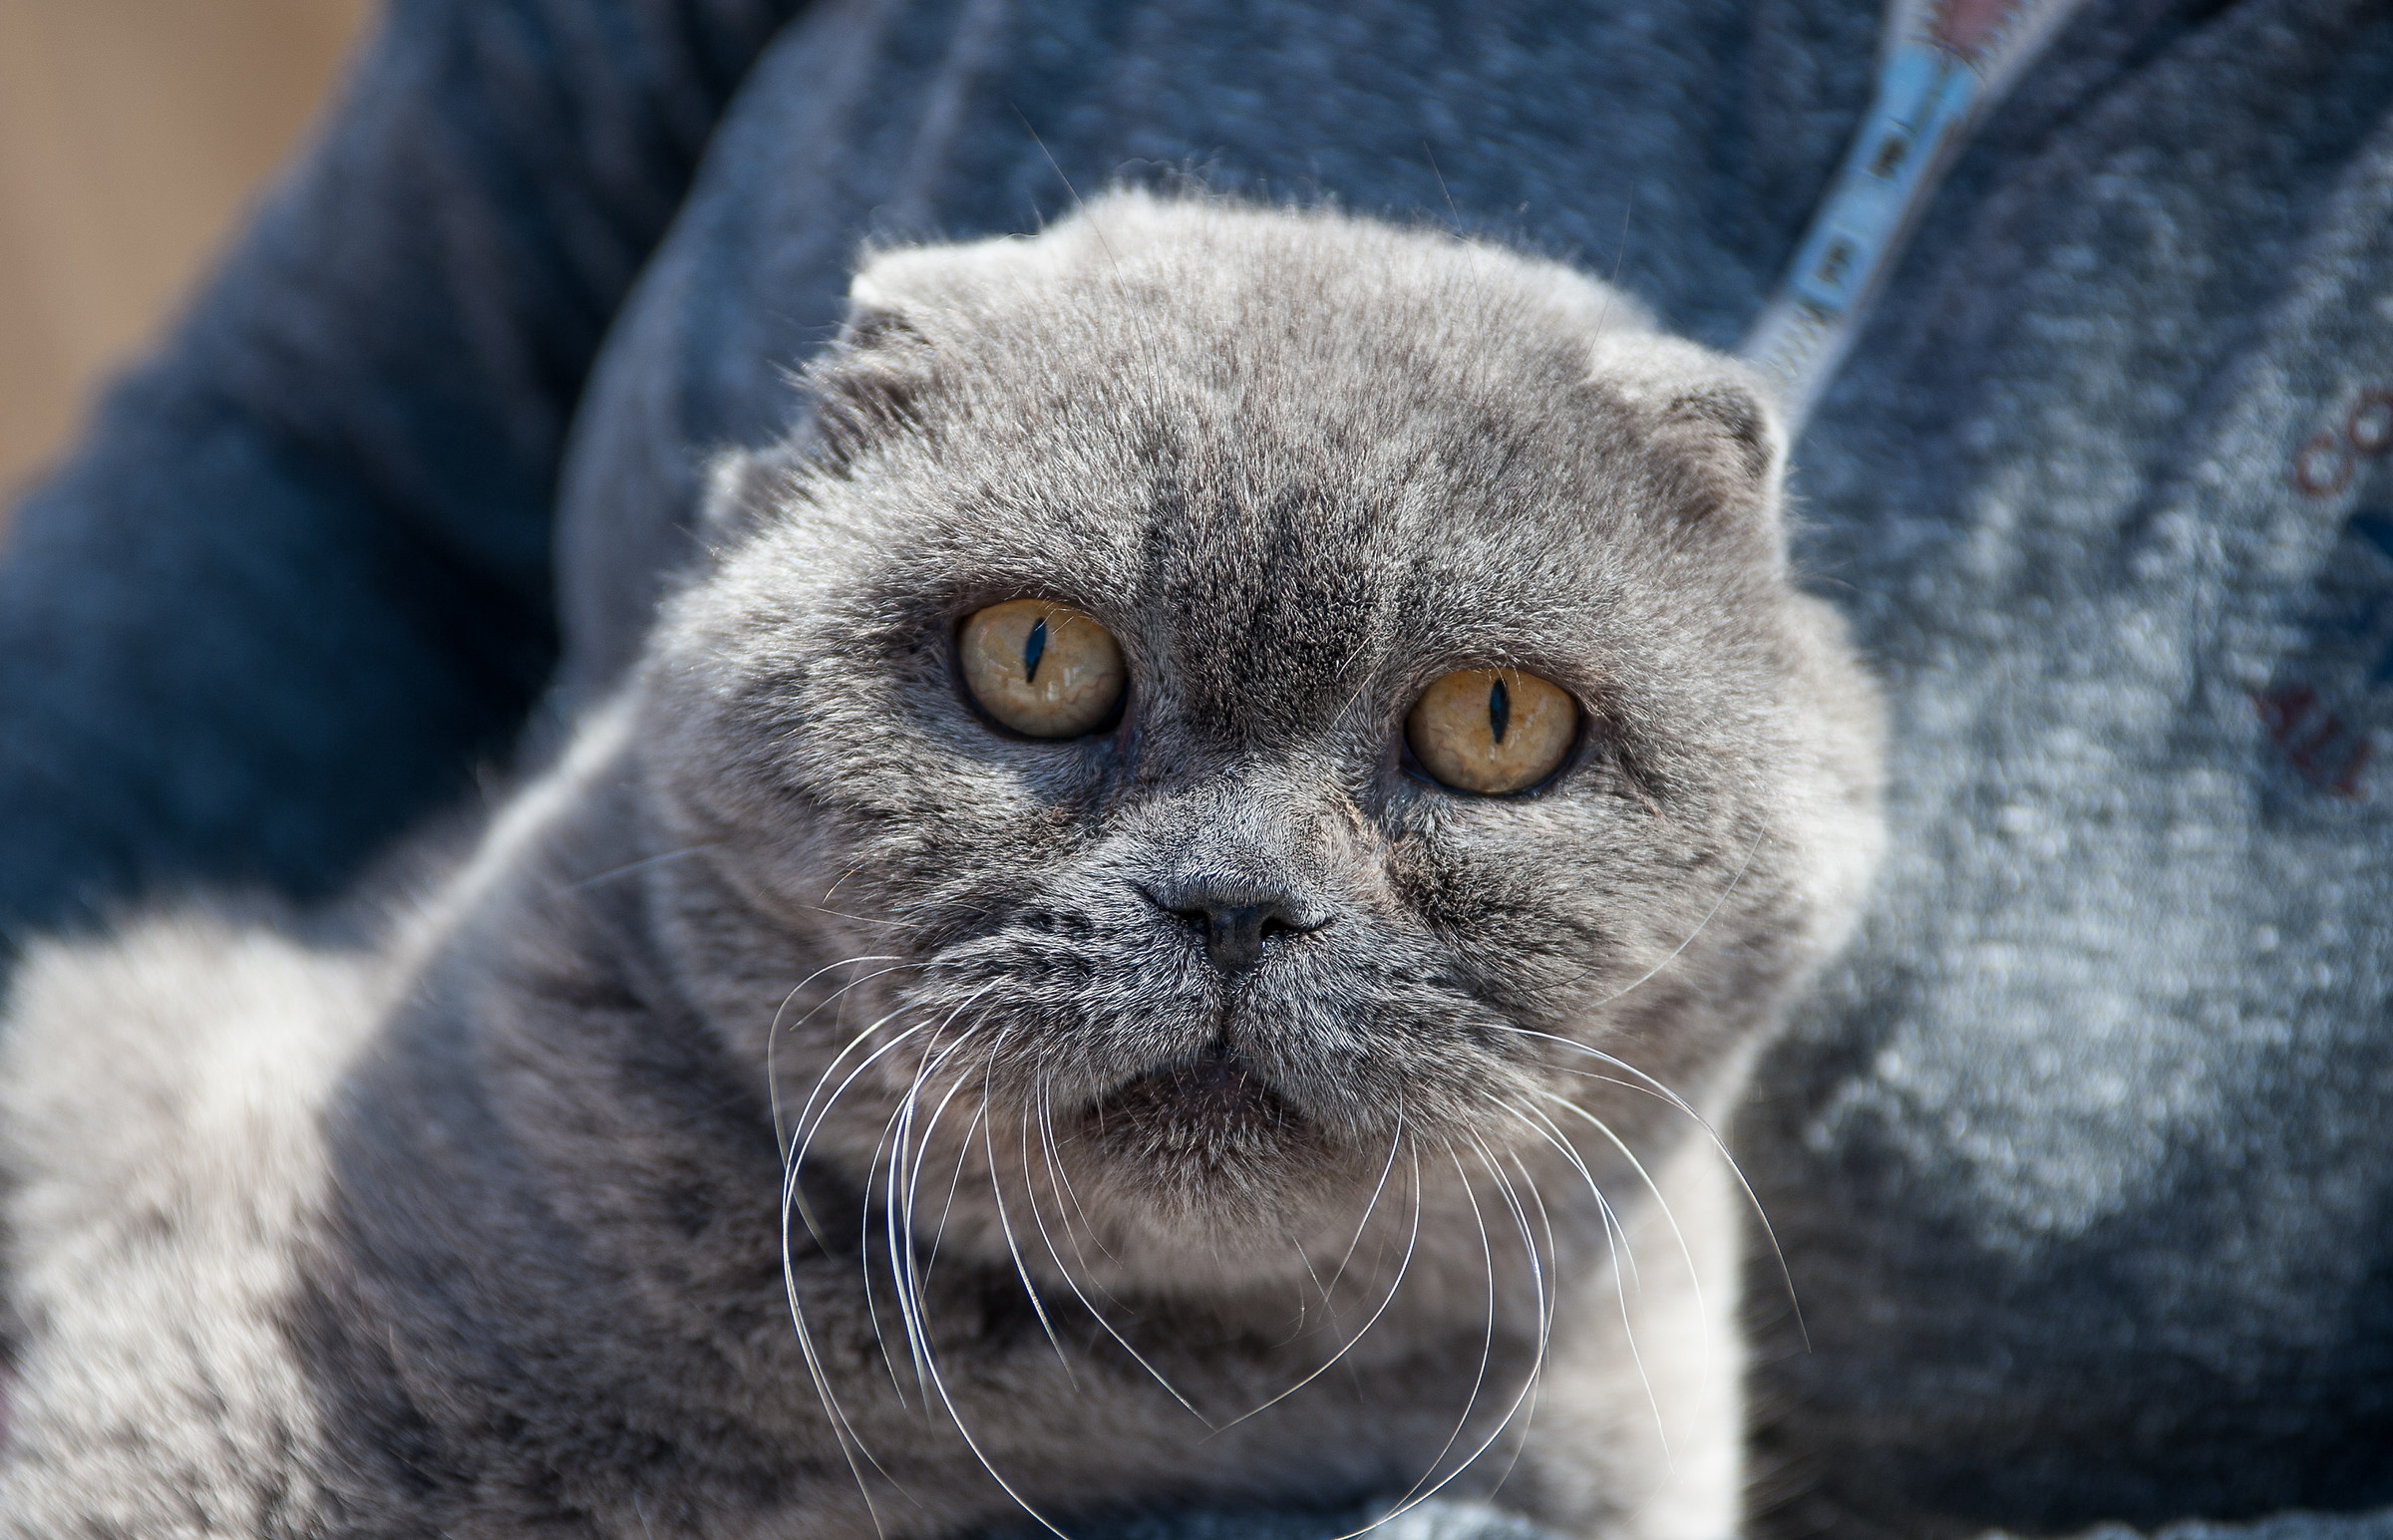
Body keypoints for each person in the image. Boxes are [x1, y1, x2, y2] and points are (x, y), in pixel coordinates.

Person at [2, 1, 2389, 1534]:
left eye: (1489, 731)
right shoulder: (495, 1166)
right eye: (1039, 669)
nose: (1241, 881)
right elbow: (329, 460)